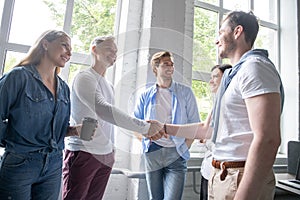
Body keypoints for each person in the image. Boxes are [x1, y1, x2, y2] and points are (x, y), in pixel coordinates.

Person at [155, 11, 284, 200]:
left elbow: (268, 139)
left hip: (240, 175)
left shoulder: (255, 67)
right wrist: (163, 128)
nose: (216, 40)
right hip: (220, 176)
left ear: (237, 31)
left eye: (221, 32)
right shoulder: (231, 77)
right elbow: (207, 130)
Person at [62, 36, 162, 200]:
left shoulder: (108, 85)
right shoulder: (84, 77)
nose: (114, 54)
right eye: (109, 49)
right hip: (84, 152)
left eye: (116, 51)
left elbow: (109, 120)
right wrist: (144, 127)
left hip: (106, 155)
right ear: (94, 50)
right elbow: (104, 110)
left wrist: (112, 150)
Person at [0, 30, 79, 200]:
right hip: (21, 163)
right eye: (64, 45)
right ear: (45, 44)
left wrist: (72, 131)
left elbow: (53, 128)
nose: (69, 53)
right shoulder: (18, 77)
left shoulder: (64, 88)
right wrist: (13, 141)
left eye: (71, 49)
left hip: (54, 163)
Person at [134, 51, 200, 200]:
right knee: (155, 198)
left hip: (176, 152)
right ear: (156, 68)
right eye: (166, 64)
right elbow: (135, 124)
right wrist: (146, 142)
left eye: (172, 64)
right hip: (153, 152)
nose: (170, 67)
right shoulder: (145, 95)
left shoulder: (186, 92)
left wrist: (184, 147)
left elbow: (195, 124)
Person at [199, 64, 232, 200]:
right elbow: (205, 130)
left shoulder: (230, 104)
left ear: (226, 78)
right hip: (207, 171)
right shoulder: (216, 105)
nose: (211, 81)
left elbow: (206, 133)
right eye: (210, 77)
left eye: (215, 77)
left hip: (221, 173)